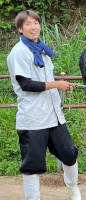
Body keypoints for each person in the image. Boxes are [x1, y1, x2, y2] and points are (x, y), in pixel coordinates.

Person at [7, 10, 81, 200]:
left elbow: (43, 78)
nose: (33, 27)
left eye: (36, 23)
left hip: (54, 115)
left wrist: (59, 85)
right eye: (28, 24)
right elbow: (26, 84)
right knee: (32, 165)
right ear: (20, 29)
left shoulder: (41, 49)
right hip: (32, 117)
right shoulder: (19, 52)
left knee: (69, 153)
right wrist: (57, 84)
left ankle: (73, 188)